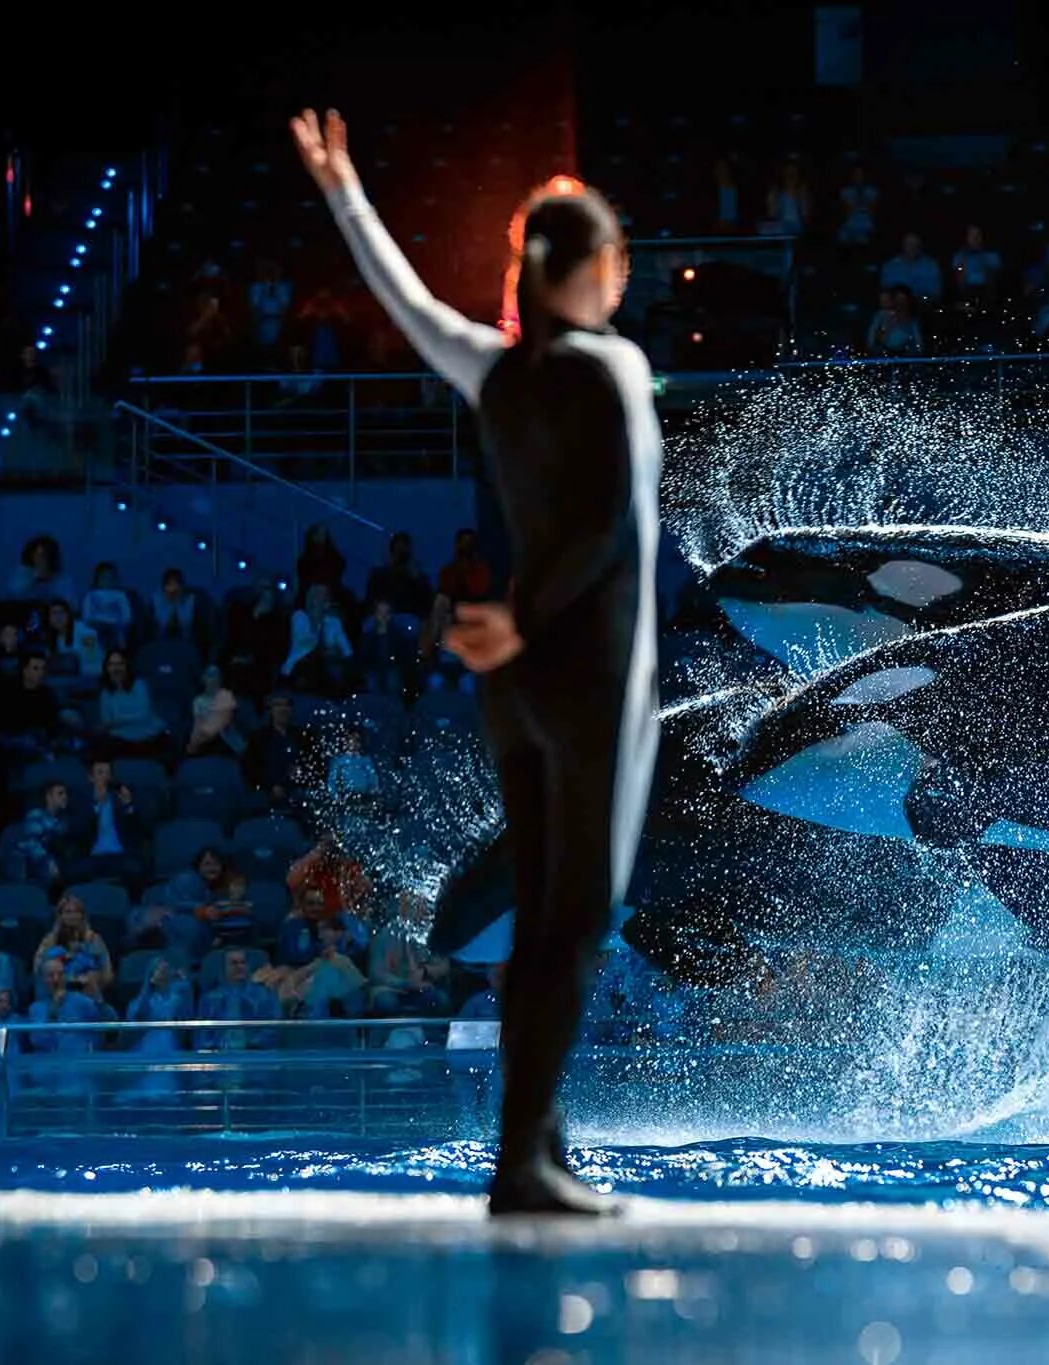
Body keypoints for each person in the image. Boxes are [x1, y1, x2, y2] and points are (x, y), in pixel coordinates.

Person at [301, 106, 664, 1215]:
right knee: (575, 920)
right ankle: (526, 1163)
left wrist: (343, 194)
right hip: (589, 674)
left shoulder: (492, 372)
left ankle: (531, 1145)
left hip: (515, 689)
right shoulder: (613, 366)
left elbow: (406, 302)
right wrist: (527, 620)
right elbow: (604, 528)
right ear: (599, 266)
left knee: (543, 919)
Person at [70, 758, 146, 889]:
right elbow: (78, 833)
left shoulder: (122, 798)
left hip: (120, 856)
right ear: (91, 778)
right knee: (74, 873)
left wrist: (128, 806)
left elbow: (139, 831)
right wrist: (96, 806)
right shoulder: (80, 802)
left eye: (107, 773)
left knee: (137, 869)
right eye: (100, 773)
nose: (104, 777)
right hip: (93, 856)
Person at [197, 948, 282, 1050]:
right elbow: (202, 1033)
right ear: (224, 968)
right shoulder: (209, 999)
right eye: (234, 963)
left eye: (243, 962)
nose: (239, 967)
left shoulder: (264, 995)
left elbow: (272, 1028)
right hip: (219, 1056)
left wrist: (253, 1045)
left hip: (256, 1056)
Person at [34, 894, 114, 997]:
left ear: (82, 915)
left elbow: (107, 973)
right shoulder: (49, 940)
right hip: (55, 988)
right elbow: (38, 968)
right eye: (68, 912)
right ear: (60, 915)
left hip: (87, 989)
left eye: (76, 912)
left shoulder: (94, 939)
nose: (72, 916)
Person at [95, 650, 168, 758]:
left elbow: (143, 715)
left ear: (127, 666)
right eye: (111, 664)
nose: (116, 669)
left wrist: (116, 721)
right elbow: (106, 721)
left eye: (120, 664)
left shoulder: (140, 685)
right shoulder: (105, 692)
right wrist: (116, 723)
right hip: (121, 739)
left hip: (148, 735)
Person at [285, 582, 353, 695]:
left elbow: (347, 650)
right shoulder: (299, 617)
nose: (317, 599)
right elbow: (306, 642)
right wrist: (318, 619)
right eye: (314, 595)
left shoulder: (333, 621)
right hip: (299, 665)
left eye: (322, 595)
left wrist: (338, 651)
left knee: (336, 670)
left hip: (327, 667)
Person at [243, 692, 307, 807]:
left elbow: (311, 765)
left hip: (297, 789)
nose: (283, 709)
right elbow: (251, 768)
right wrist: (271, 786)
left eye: (287, 705)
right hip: (266, 789)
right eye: (278, 705)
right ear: (270, 710)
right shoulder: (258, 738)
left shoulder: (303, 736)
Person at [365, 531, 434, 620]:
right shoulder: (379, 576)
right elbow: (371, 605)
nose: (400, 558)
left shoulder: (419, 580)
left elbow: (427, 608)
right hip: (385, 625)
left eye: (404, 554)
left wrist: (418, 580)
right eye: (397, 552)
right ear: (391, 553)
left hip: (411, 627)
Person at [39, 600, 103, 680]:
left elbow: (94, 659)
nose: (58, 617)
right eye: (54, 613)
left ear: (68, 615)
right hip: (63, 678)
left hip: (89, 676)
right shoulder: (51, 638)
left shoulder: (85, 632)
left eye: (62, 613)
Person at [187, 665, 242, 757]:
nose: (212, 680)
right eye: (209, 676)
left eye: (215, 676)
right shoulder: (198, 701)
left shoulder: (227, 697)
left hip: (226, 741)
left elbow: (230, 724)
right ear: (203, 679)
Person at [7, 535, 75, 607]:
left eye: (44, 555)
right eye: (37, 554)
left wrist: (49, 578)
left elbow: (70, 604)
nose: (40, 558)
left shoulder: (63, 578)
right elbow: (13, 594)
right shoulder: (21, 573)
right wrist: (35, 577)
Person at [80, 561, 134, 651]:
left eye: (110, 577)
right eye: (104, 577)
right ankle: (90, 654)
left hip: (115, 625)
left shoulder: (120, 595)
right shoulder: (90, 595)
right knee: (87, 632)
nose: (107, 580)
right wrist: (94, 624)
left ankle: (119, 651)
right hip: (96, 625)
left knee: (119, 632)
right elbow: (86, 616)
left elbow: (127, 615)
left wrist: (120, 624)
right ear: (97, 579)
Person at [878, 232, 942, 303]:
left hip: (923, 307)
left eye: (916, 245)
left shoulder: (931, 266)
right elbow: (885, 294)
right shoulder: (890, 267)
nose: (913, 248)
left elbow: (935, 295)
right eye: (909, 245)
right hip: (896, 308)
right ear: (902, 246)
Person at [153, 568, 206, 649]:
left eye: (176, 585)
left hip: (189, 647)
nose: (173, 589)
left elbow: (203, 633)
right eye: (169, 585)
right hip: (160, 647)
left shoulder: (194, 602)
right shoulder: (155, 602)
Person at [437, 529, 494, 603]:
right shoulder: (447, 572)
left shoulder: (482, 570)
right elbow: (445, 595)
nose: (466, 546)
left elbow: (481, 593)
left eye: (470, 542)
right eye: (463, 542)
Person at [865, 287, 924, 357]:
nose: (901, 304)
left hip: (906, 355)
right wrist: (888, 325)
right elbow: (874, 341)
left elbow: (919, 344)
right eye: (898, 300)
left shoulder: (913, 321)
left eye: (903, 301)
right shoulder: (882, 316)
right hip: (884, 354)